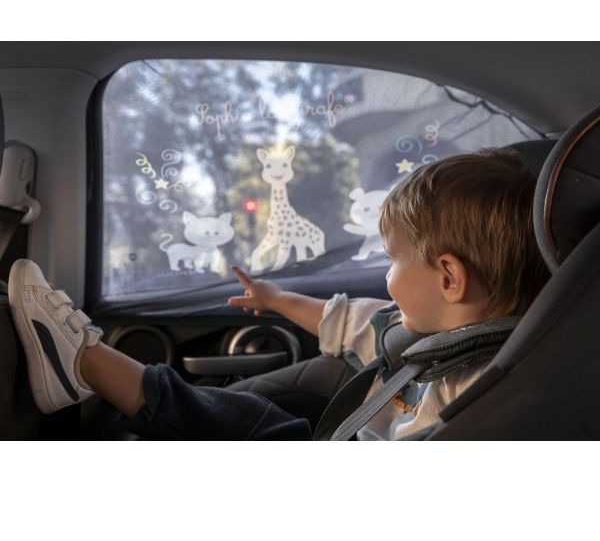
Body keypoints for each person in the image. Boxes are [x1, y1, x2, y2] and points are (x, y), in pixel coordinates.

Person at [7, 147, 550, 440]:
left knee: (243, 425)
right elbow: (342, 320)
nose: (387, 278)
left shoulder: (479, 391)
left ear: (449, 278)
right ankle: (87, 365)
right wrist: (275, 299)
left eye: (392, 260)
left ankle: (84, 361)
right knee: (244, 415)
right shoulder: (416, 330)